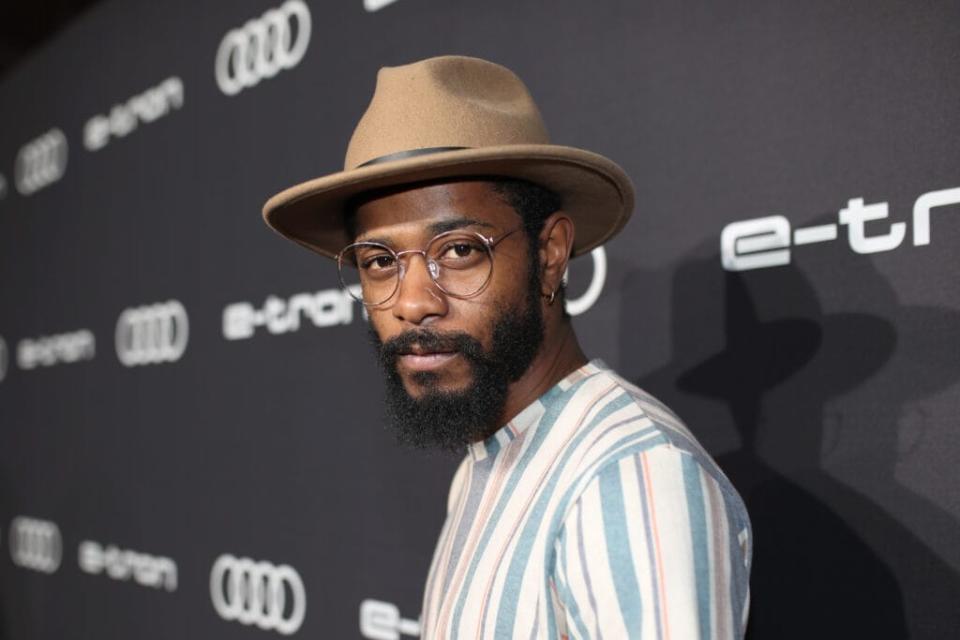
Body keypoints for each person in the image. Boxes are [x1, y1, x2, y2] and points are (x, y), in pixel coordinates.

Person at [262, 55, 751, 639]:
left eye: (460, 249)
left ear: (549, 254)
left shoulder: (627, 478)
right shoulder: (491, 456)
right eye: (378, 261)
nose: (412, 301)